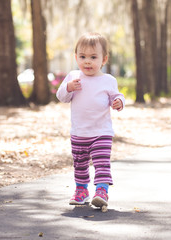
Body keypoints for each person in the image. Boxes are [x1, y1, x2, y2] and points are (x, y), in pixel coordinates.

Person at [56, 32, 125, 208]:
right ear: (76, 57)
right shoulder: (73, 77)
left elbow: (116, 97)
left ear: (104, 59)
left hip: (101, 132)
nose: (87, 61)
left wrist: (118, 102)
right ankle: (81, 190)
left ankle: (102, 191)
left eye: (93, 57)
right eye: (83, 56)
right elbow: (61, 97)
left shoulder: (108, 80)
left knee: (102, 163)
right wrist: (68, 88)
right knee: (80, 164)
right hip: (79, 133)